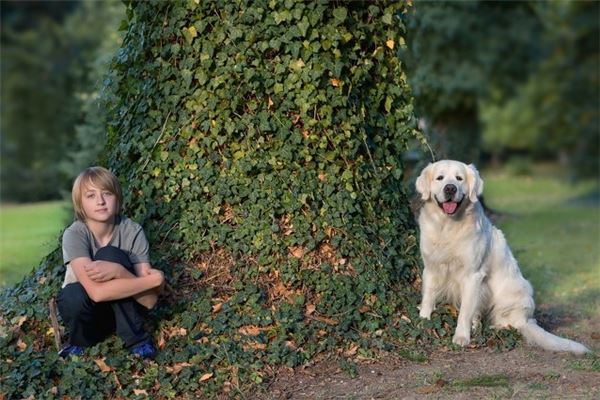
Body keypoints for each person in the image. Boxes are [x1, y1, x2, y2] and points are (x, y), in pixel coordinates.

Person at [56, 166, 164, 358]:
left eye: (107, 193)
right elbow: (96, 294)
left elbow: (149, 301)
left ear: (117, 197)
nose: (100, 201)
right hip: (89, 313)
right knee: (71, 294)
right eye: (90, 196)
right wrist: (155, 281)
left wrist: (119, 271)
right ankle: (80, 341)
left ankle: (137, 340)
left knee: (111, 255)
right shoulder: (74, 234)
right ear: (80, 203)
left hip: (128, 311)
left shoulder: (132, 231)